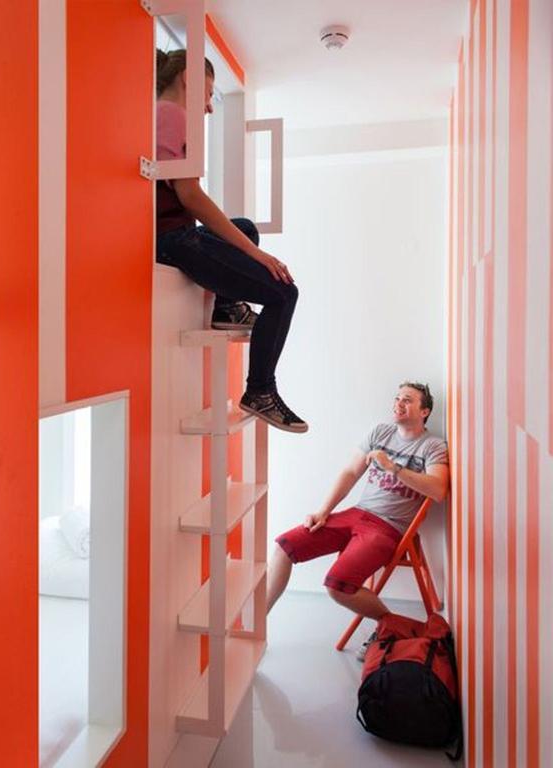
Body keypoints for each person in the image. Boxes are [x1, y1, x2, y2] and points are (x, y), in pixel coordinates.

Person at [155, 49, 306, 433]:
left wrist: (246, 243)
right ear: (188, 79)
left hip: (172, 234)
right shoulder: (173, 115)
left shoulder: (161, 114)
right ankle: (260, 391)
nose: (209, 106)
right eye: (208, 93)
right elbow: (190, 196)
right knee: (284, 293)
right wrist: (257, 255)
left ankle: (227, 309)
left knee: (245, 227)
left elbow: (187, 196)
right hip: (172, 239)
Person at [265, 382, 450, 658]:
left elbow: (438, 490)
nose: (398, 403)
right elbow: (351, 473)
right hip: (356, 514)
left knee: (337, 587)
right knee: (284, 547)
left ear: (424, 412)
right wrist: (324, 511)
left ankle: (391, 624)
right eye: (397, 397)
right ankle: (258, 623)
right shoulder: (381, 432)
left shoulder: (432, 445)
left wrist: (394, 468)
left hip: (387, 527)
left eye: (408, 400)